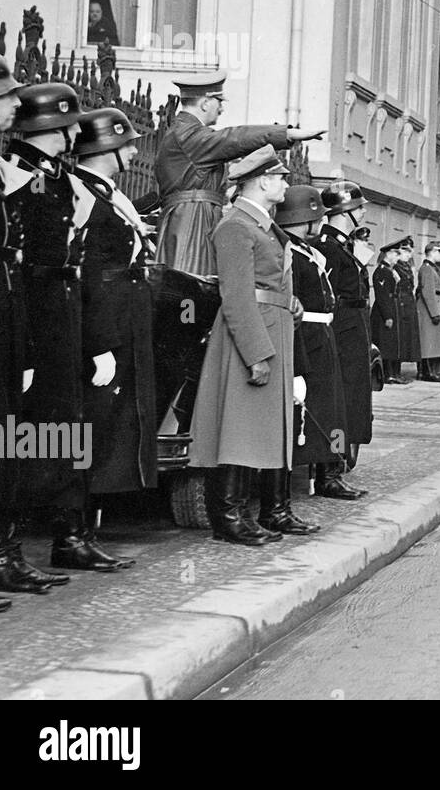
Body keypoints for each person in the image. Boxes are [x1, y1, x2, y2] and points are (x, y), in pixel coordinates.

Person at [150, 72, 323, 444]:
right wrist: (285, 134)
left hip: (196, 220)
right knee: (191, 313)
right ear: (206, 102)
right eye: (219, 102)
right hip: (192, 227)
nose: (221, 109)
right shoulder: (188, 132)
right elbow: (233, 140)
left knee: (197, 318)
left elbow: (231, 162)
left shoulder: (190, 138)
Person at [7, 84, 111, 575]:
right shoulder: (19, 177)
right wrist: (24, 349)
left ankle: (70, 535)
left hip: (62, 310)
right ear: (52, 126)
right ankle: (19, 541)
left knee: (70, 425)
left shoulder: (56, 176)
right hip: (35, 317)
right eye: (70, 124)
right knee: (28, 434)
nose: (76, 133)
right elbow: (21, 268)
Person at [189, 147, 299, 546]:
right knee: (237, 429)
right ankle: (228, 516)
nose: (286, 184)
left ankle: (242, 514)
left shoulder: (262, 225)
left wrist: (291, 302)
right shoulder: (237, 225)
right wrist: (256, 352)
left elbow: (269, 281)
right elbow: (236, 295)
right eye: (281, 177)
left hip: (270, 327)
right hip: (249, 334)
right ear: (263, 181)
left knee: (255, 429)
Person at [0, 57, 65, 601]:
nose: (18, 103)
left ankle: (1, 550)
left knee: (4, 436)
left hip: (5, 315)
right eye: (7, 94)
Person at [73, 108, 158, 566]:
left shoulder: (107, 194)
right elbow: (91, 275)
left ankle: (84, 532)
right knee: (92, 428)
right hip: (103, 328)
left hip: (122, 324)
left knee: (108, 429)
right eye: (126, 144)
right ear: (104, 148)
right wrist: (100, 342)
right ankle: (74, 535)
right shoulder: (84, 194)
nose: (132, 152)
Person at [272, 183, 347, 533]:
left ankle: (332, 469)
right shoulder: (291, 253)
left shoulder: (307, 251)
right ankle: (316, 477)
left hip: (323, 334)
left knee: (332, 409)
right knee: (308, 413)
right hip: (307, 335)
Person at [313, 183, 372, 499]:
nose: (363, 212)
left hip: (353, 332)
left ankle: (335, 469)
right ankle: (329, 473)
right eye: (358, 207)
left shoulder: (344, 246)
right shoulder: (327, 248)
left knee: (349, 402)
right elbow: (331, 295)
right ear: (342, 212)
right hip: (340, 332)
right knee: (337, 404)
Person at [371, 241, 404, 384]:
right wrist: (388, 316)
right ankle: (387, 374)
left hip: (392, 309)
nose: (398, 257)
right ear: (388, 254)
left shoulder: (390, 271)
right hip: (383, 313)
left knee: (392, 343)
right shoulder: (382, 271)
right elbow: (382, 295)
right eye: (396, 254)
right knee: (385, 344)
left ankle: (393, 373)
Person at [417, 241, 440, 381]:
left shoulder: (433, 268)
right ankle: (426, 372)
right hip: (428, 310)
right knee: (428, 342)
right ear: (433, 252)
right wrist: (434, 313)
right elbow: (428, 292)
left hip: (434, 307)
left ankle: (430, 371)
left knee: (433, 342)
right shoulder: (427, 269)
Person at [393, 239, 422, 379]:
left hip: (409, 303)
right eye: (406, 250)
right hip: (401, 303)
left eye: (410, 250)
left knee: (407, 338)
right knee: (400, 338)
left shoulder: (407, 266)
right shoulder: (396, 267)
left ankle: (398, 370)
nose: (408, 254)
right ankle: (395, 371)